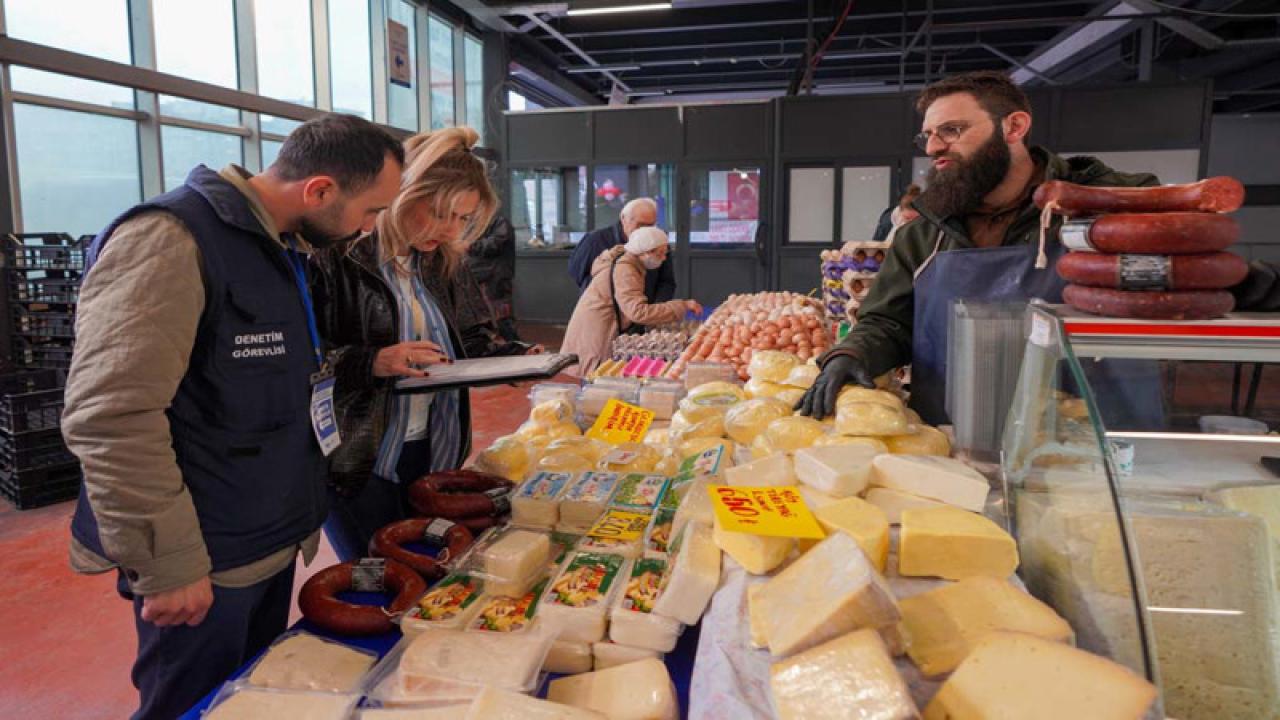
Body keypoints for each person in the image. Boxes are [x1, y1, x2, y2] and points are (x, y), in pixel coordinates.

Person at [63, 114, 404, 719]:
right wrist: (168, 563)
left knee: (246, 703)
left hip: (265, 538)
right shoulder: (173, 239)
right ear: (320, 190)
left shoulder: (282, 248)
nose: (368, 229)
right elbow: (112, 415)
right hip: (202, 558)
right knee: (189, 705)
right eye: (371, 211)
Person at [798, 70, 1278, 428]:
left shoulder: (1101, 203)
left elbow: (1184, 267)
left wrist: (1243, 281)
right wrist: (851, 355)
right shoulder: (925, 231)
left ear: (1014, 126)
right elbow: (887, 320)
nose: (934, 147)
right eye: (927, 135)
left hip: (1095, 432)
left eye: (952, 130)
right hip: (957, 431)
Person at [311, 126, 537, 562]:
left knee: (424, 564)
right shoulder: (335, 259)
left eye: (462, 219)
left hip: (433, 443)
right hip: (359, 456)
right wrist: (372, 361)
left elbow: (468, 336)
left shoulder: (438, 260)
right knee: (374, 571)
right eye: (438, 213)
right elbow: (305, 357)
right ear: (401, 193)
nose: (450, 230)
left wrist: (514, 358)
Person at [561, 226, 701, 376]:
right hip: (598, 331)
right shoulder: (626, 270)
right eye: (660, 254)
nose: (664, 258)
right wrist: (681, 306)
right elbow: (638, 312)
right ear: (645, 253)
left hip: (594, 325)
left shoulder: (627, 261)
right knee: (595, 379)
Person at [568, 197, 677, 305]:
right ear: (623, 219)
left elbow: (666, 281)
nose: (645, 230)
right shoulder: (595, 240)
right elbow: (576, 272)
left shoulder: (659, 241)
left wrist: (655, 310)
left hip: (643, 313)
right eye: (640, 225)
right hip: (604, 312)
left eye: (651, 225)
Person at [467, 213, 520, 342]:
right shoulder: (472, 222)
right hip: (479, 277)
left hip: (495, 279)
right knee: (487, 318)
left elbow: (496, 243)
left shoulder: (498, 222)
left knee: (501, 317)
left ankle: (516, 346)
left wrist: (470, 245)